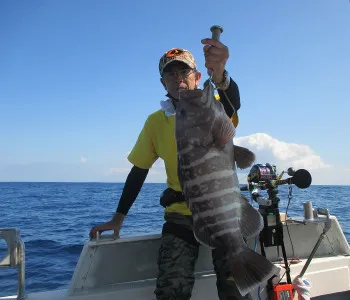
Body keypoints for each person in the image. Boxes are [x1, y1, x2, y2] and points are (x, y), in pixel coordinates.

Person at [89, 38, 249, 300]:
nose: (178, 79)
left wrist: (220, 74)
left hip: (224, 211)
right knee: (171, 290)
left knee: (235, 288)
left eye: (184, 72)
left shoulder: (215, 106)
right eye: (170, 74)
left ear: (197, 76)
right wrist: (118, 218)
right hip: (180, 215)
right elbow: (138, 171)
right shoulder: (155, 122)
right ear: (163, 84)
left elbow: (233, 103)